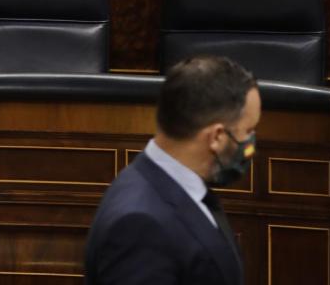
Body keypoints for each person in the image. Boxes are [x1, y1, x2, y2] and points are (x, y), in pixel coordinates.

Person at [84, 56, 260, 285]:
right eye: (248, 130)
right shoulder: (139, 226)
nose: (250, 142)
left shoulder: (182, 186)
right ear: (216, 136)